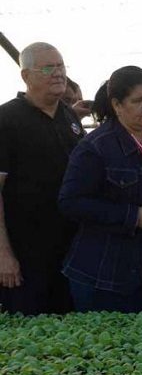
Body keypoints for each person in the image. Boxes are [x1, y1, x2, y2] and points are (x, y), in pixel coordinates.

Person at [59, 66, 142, 314]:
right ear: (117, 105)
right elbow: (70, 202)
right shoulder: (95, 147)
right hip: (108, 279)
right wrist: (132, 216)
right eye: (138, 100)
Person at [0, 42, 84, 315]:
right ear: (26, 76)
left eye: (61, 66)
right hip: (25, 257)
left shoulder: (68, 115)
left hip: (69, 251)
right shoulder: (7, 119)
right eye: (48, 67)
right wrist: (4, 255)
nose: (58, 74)